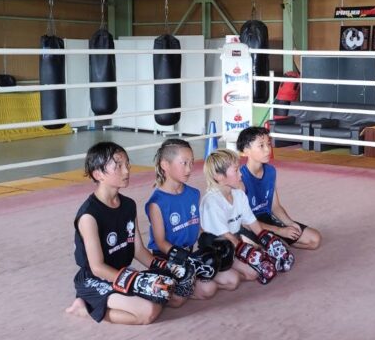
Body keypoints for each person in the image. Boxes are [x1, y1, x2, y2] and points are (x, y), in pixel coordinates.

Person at [66, 142, 182, 325]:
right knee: (148, 312)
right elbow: (97, 267)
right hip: (96, 279)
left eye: (127, 164)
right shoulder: (89, 215)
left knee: (173, 294)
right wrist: (136, 281)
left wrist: (168, 267)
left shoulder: (128, 205)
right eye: (118, 166)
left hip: (122, 273)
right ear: (98, 174)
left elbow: (138, 250)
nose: (127, 171)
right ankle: (85, 308)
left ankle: (111, 301)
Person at [145, 138, 241, 300]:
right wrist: (185, 258)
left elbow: (196, 226)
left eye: (191, 162)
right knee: (208, 289)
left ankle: (186, 285)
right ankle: (164, 286)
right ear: (165, 165)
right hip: (168, 258)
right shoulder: (157, 202)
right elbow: (160, 242)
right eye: (184, 163)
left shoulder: (193, 193)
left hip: (190, 255)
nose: (189, 168)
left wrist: (212, 242)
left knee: (232, 280)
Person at [200, 148, 295, 283]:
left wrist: (269, 241)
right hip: (217, 248)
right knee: (251, 274)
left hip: (234, 240)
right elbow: (225, 236)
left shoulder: (238, 194)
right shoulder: (212, 202)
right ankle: (210, 274)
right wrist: (247, 252)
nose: (241, 174)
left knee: (267, 259)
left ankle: (236, 264)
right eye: (236, 170)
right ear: (219, 176)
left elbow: (252, 222)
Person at [236, 126, 322, 250]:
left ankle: (278, 241)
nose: (267, 149)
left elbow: (275, 206)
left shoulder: (271, 171)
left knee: (314, 240)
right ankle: (271, 241)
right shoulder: (239, 177)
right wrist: (280, 231)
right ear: (246, 151)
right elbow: (244, 220)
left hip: (266, 218)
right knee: (257, 251)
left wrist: (290, 223)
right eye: (261, 146)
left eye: (268, 144)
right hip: (248, 224)